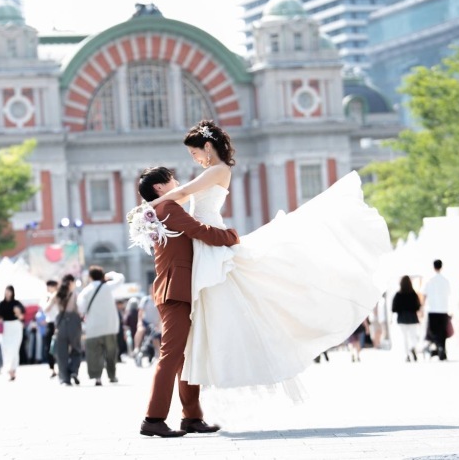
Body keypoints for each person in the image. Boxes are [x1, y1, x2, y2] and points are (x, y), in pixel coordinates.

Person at [145, 119, 391, 398]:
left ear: (208, 146)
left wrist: (149, 208)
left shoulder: (218, 170)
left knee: (231, 295)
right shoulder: (214, 170)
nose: (195, 159)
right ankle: (202, 381)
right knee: (221, 301)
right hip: (203, 241)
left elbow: (183, 192)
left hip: (209, 236)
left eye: (195, 153)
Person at [138, 165, 241, 438]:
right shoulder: (167, 209)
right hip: (175, 289)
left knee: (185, 356)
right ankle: (154, 418)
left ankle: (192, 417)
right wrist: (231, 237)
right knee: (171, 356)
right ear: (159, 188)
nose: (177, 182)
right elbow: (199, 230)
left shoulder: (161, 210)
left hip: (179, 287)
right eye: (172, 179)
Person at [78, 266, 124, 386]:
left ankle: (97, 377)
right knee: (111, 353)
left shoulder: (85, 291)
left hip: (93, 328)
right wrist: (111, 274)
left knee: (94, 354)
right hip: (110, 326)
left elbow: (81, 309)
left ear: (90, 277)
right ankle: (112, 376)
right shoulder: (108, 286)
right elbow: (121, 278)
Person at [49, 274, 83, 386]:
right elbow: (78, 310)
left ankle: (64, 378)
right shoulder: (73, 294)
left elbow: (46, 308)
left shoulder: (56, 294)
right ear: (71, 283)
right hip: (73, 322)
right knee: (76, 349)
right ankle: (73, 370)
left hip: (61, 323)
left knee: (61, 352)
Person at [0, 285, 25, 381]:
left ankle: (13, 370)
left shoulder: (17, 303)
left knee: (15, 348)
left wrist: (18, 313)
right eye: (6, 291)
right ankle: (9, 368)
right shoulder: (1, 304)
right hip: (6, 327)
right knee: (6, 348)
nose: (7, 293)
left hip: (15, 326)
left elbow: (22, 316)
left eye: (9, 291)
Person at [423, 259, 451, 361]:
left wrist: (422, 308)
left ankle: (438, 348)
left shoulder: (429, 280)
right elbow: (448, 294)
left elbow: (424, 295)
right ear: (441, 266)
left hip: (432, 310)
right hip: (443, 309)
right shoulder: (445, 280)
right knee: (442, 332)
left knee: (433, 332)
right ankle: (441, 349)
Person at [392, 275, 421, 362]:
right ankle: (412, 348)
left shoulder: (398, 294)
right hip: (412, 318)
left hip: (402, 319)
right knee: (413, 337)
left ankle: (407, 355)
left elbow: (393, 308)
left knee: (405, 338)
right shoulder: (413, 294)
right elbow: (418, 306)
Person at [41, 280, 59, 378]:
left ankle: (61, 367)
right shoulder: (46, 297)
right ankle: (52, 369)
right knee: (48, 347)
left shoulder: (60, 296)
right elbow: (45, 309)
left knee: (60, 345)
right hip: (50, 323)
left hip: (59, 323)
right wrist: (51, 300)